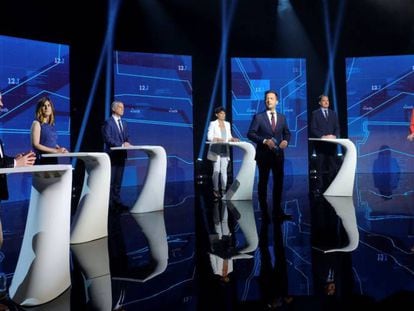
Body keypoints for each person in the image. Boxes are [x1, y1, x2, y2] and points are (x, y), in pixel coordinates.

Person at [247, 90, 291, 222]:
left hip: (278, 156)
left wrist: (286, 141)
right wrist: (265, 141)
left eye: (271, 98)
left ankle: (278, 211)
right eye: (267, 98)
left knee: (278, 184)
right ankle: (264, 213)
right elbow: (250, 133)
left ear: (277, 101)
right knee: (263, 184)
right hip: (263, 155)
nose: (268, 100)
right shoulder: (258, 117)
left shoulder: (282, 117)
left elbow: (287, 133)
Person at [102, 101, 131, 210]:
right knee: (111, 181)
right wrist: (121, 144)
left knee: (118, 181)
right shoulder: (108, 123)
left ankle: (117, 201)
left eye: (123, 107)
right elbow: (108, 139)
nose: (122, 109)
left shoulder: (124, 123)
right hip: (112, 155)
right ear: (113, 109)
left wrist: (127, 142)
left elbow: (126, 137)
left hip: (121, 155)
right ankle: (109, 203)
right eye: (120, 107)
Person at [207, 106, 239, 198]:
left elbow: (228, 136)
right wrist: (216, 138)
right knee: (216, 170)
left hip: (225, 149)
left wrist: (232, 139)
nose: (223, 115)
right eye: (221, 113)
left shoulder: (227, 124)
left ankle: (224, 189)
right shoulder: (213, 124)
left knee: (224, 171)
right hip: (215, 149)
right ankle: (216, 189)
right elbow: (209, 136)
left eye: (224, 113)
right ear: (217, 114)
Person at [310, 94, 340, 192]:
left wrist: (335, 136)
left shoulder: (333, 113)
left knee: (333, 165)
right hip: (320, 145)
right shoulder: (315, 113)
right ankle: (319, 186)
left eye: (327, 100)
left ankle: (332, 185)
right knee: (319, 165)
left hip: (331, 145)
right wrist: (323, 136)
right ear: (320, 102)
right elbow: (313, 128)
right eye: (324, 100)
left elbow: (337, 127)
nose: (326, 102)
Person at [30, 96, 68, 164]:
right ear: (40, 109)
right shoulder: (36, 123)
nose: (46, 108)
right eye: (44, 106)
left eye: (48, 105)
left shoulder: (51, 125)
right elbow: (36, 144)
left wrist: (60, 149)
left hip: (53, 159)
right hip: (42, 160)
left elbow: (49, 141)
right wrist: (55, 151)